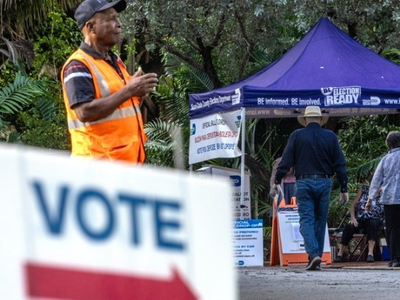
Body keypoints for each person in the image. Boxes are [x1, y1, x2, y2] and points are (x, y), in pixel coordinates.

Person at [61, 0, 158, 163]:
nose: (119, 24)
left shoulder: (115, 61)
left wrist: (138, 93)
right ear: (91, 27)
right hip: (97, 166)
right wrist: (129, 90)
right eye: (111, 19)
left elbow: (118, 105)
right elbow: (85, 112)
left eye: (117, 18)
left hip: (124, 164)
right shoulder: (78, 65)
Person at [273, 106, 348, 271]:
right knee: (320, 220)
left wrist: (277, 179)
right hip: (324, 181)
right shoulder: (330, 137)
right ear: (320, 120)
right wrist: (344, 187)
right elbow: (340, 164)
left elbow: (286, 161)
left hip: (304, 182)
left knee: (306, 219)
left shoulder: (297, 136)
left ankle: (313, 254)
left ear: (305, 120)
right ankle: (317, 257)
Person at [366, 131, 400, 267]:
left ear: (388, 144)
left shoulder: (385, 160)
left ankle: (396, 258)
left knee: (392, 229)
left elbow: (376, 180)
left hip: (390, 199)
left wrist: (370, 199)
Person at [334, 185, 384, 263]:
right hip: (360, 218)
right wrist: (352, 218)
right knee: (349, 227)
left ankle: (370, 254)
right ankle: (340, 254)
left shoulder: (384, 194)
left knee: (372, 224)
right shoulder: (364, 189)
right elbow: (353, 205)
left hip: (375, 219)